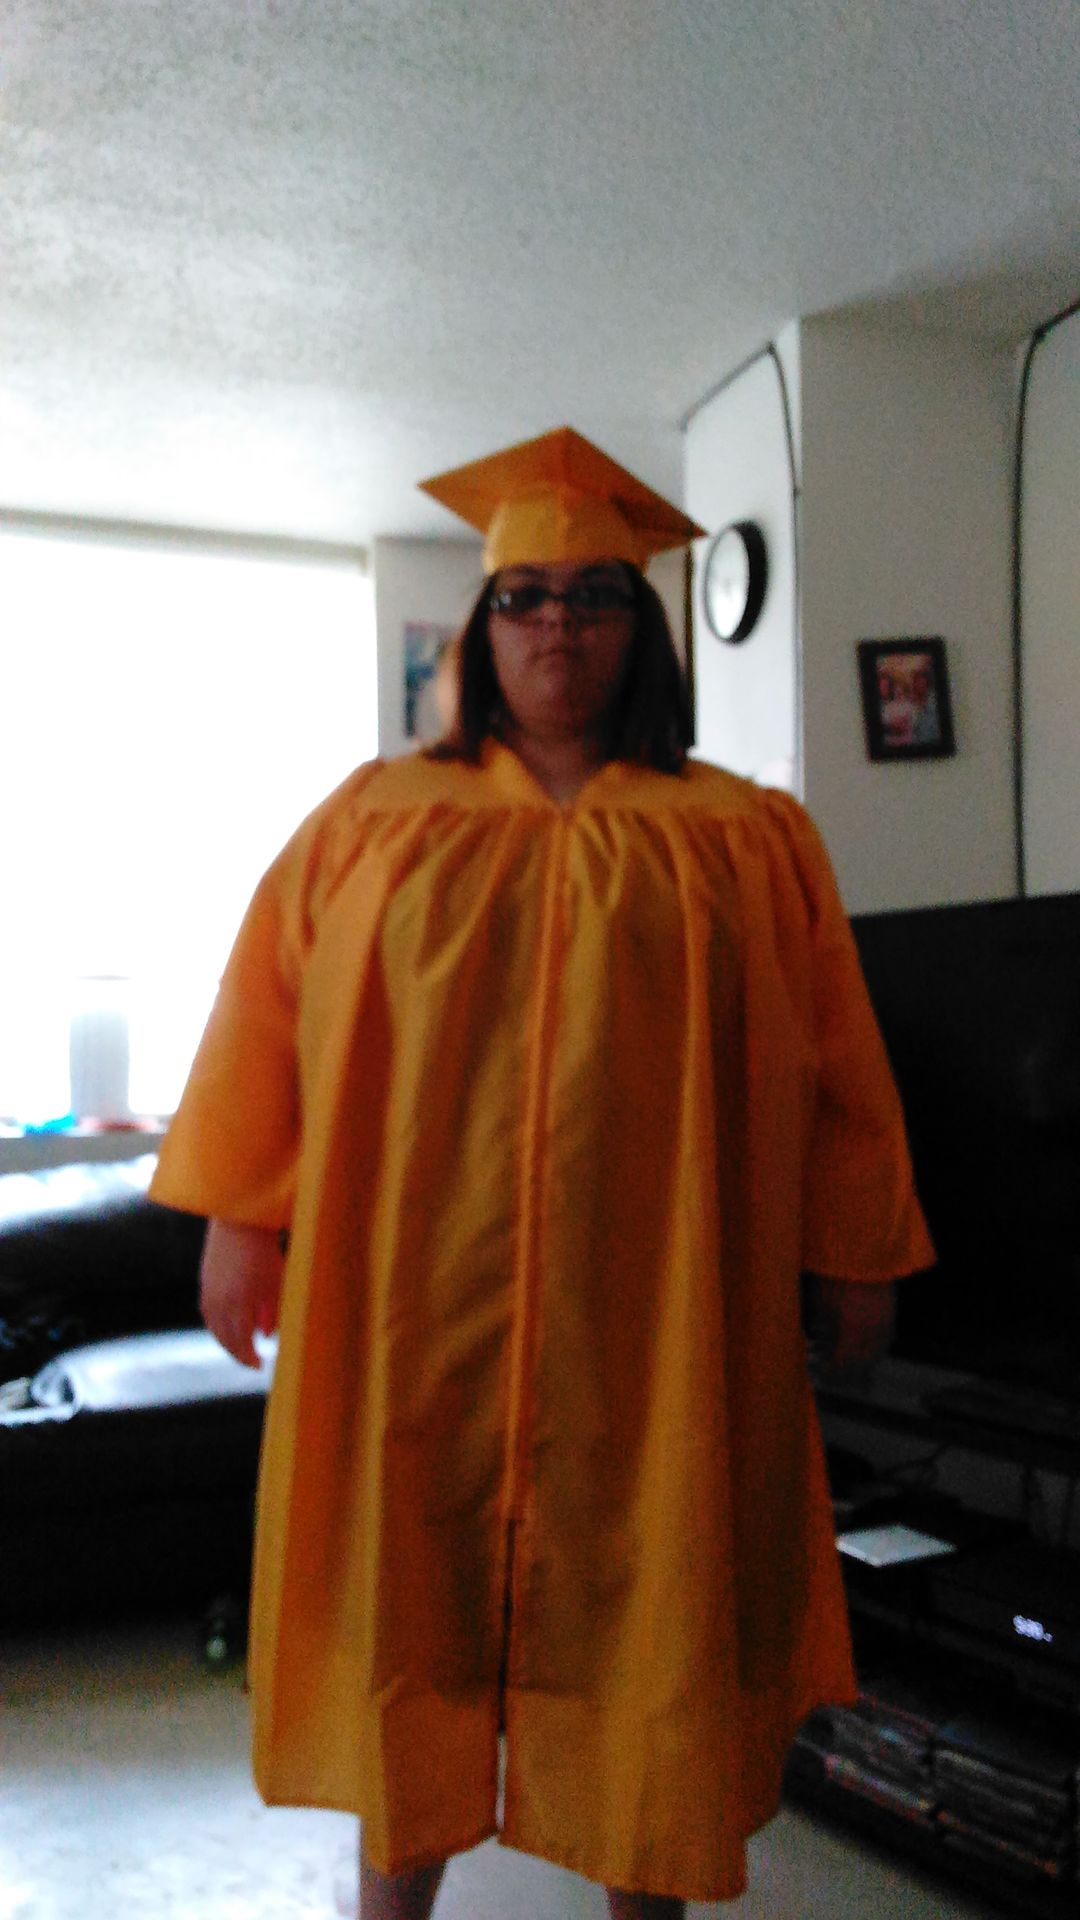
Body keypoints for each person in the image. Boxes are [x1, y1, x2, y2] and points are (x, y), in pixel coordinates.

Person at [150, 426, 934, 1919]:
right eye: (524, 596)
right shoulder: (373, 823)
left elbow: (835, 1059)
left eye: (593, 595)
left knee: (653, 1604)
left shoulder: (745, 838)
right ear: (481, 626)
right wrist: (241, 1221)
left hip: (657, 1311)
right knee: (413, 1608)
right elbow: (266, 1026)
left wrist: (854, 1247)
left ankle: (646, 1894)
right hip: (413, 1308)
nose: (556, 624)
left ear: (640, 629)